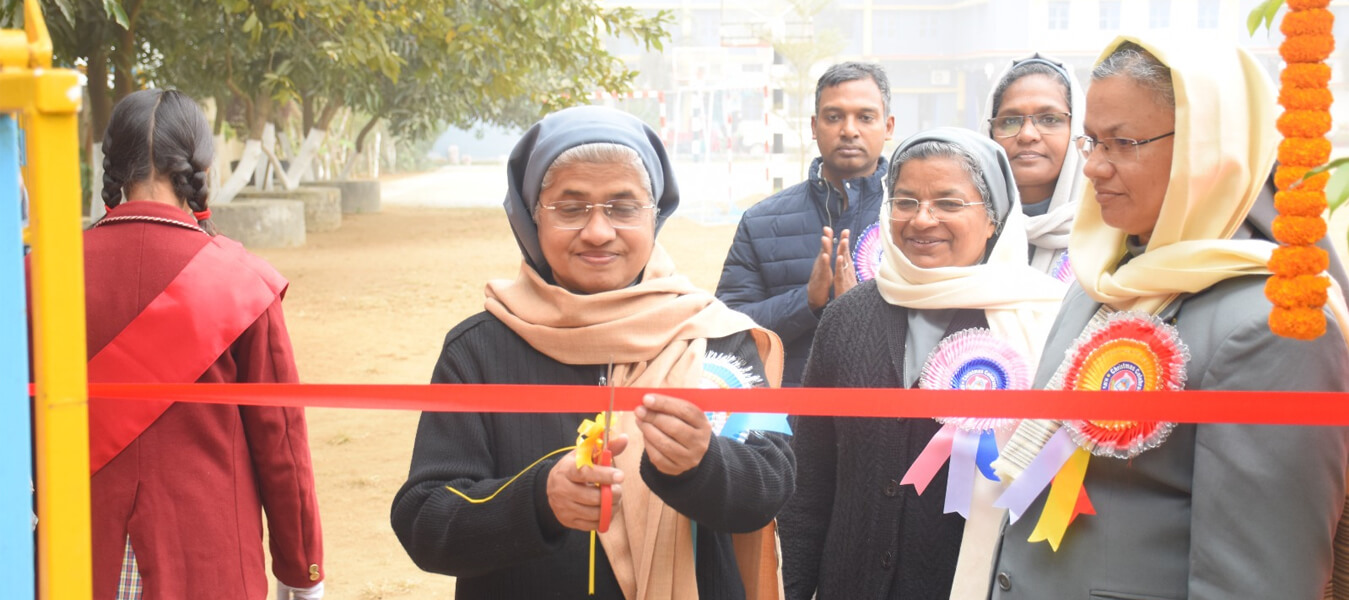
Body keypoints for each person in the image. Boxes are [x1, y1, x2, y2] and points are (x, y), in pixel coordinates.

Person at [988, 37, 1349, 599]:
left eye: (1123, 143)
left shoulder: (1276, 325)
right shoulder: (1103, 282)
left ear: (1209, 149)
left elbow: (1258, 581)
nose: (1093, 167)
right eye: (1092, 141)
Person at [390, 105, 795, 599]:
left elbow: (770, 490)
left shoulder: (716, 335)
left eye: (623, 208)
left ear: (655, 215)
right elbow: (425, 521)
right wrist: (538, 501)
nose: (599, 231)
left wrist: (703, 463)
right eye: (570, 207)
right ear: (531, 217)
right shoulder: (478, 350)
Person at [778, 128, 1064, 600]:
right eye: (905, 202)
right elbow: (809, 483)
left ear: (994, 219)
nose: (922, 220)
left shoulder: (1040, 319)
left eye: (949, 203)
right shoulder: (847, 317)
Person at [76, 89, 323, 599]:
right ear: (197, 163)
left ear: (113, 161)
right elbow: (281, 444)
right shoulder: (239, 281)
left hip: (75, 558)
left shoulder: (42, 274)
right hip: (209, 564)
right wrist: (302, 571)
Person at [716, 62, 895, 386]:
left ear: (889, 126)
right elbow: (724, 331)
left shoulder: (913, 219)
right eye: (834, 117)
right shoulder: (761, 222)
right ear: (814, 126)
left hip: (885, 417)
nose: (849, 130)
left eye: (865, 117)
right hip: (788, 426)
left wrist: (862, 308)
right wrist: (807, 301)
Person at [980, 53, 1086, 280]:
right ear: (990, 133)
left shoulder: (1109, 233)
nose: (1027, 135)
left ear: (1077, 128)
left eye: (1049, 119)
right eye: (1010, 121)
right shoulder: (965, 225)